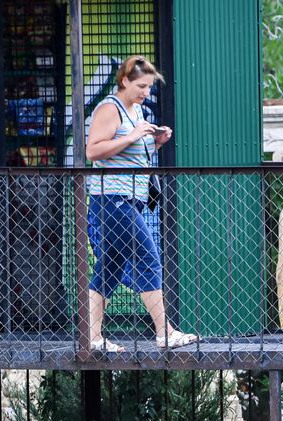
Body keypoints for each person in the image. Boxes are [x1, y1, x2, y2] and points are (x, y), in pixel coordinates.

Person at [84, 55, 195, 352]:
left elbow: (129, 152)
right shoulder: (110, 108)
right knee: (148, 259)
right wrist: (133, 135)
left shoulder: (136, 110)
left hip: (130, 200)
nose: (146, 92)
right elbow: (93, 150)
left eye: (148, 87)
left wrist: (156, 141)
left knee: (110, 267)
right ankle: (165, 332)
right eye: (141, 86)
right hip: (112, 200)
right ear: (125, 81)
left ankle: (92, 338)